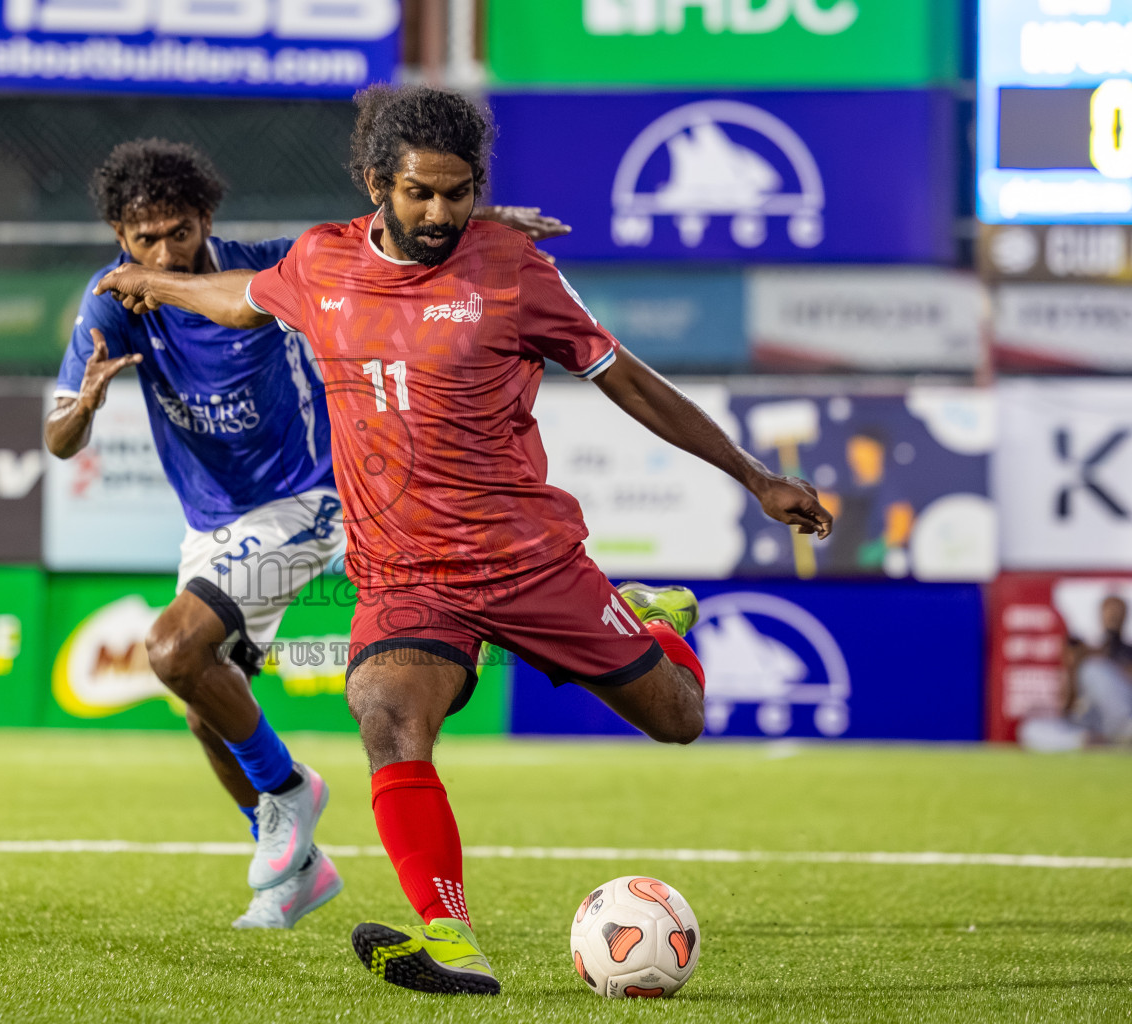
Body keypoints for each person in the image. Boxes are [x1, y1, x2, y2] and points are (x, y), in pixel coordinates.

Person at [97, 87, 832, 995]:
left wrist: (757, 476)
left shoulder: (514, 270)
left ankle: (651, 621)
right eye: (420, 194)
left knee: (678, 719)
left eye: (459, 193)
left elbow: (627, 380)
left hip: (527, 561)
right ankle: (450, 939)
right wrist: (153, 282)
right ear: (377, 185)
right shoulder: (321, 263)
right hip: (406, 575)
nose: (442, 213)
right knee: (386, 716)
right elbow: (243, 301)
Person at [45, 138, 570, 930]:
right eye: (144, 239)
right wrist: (81, 410)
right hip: (214, 523)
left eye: (179, 232)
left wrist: (483, 222)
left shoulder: (259, 267)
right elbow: (58, 439)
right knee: (205, 701)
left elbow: (378, 240)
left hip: (308, 497)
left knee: (171, 648)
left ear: (206, 219)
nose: (164, 253)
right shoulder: (113, 299)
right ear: (120, 236)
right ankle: (296, 873)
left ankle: (287, 792)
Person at [1064, 595, 1132, 745]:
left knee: (1095, 669)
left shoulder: (1128, 652)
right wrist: (1075, 664)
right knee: (1032, 729)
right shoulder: (1089, 651)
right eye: (1109, 611)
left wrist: (1112, 666)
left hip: (1122, 719)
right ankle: (1086, 742)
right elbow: (1068, 705)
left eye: (1117, 611)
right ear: (1100, 614)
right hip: (1091, 724)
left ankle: (1122, 732)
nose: (1113, 616)